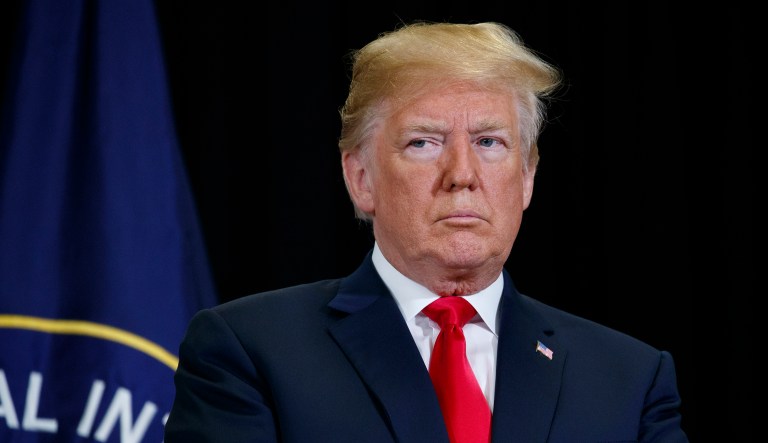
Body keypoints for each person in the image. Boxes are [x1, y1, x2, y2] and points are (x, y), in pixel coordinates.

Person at [164, 21, 688, 443]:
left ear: (527, 178)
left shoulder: (629, 380)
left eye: (489, 142)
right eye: (424, 142)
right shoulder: (250, 353)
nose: (462, 174)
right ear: (361, 179)